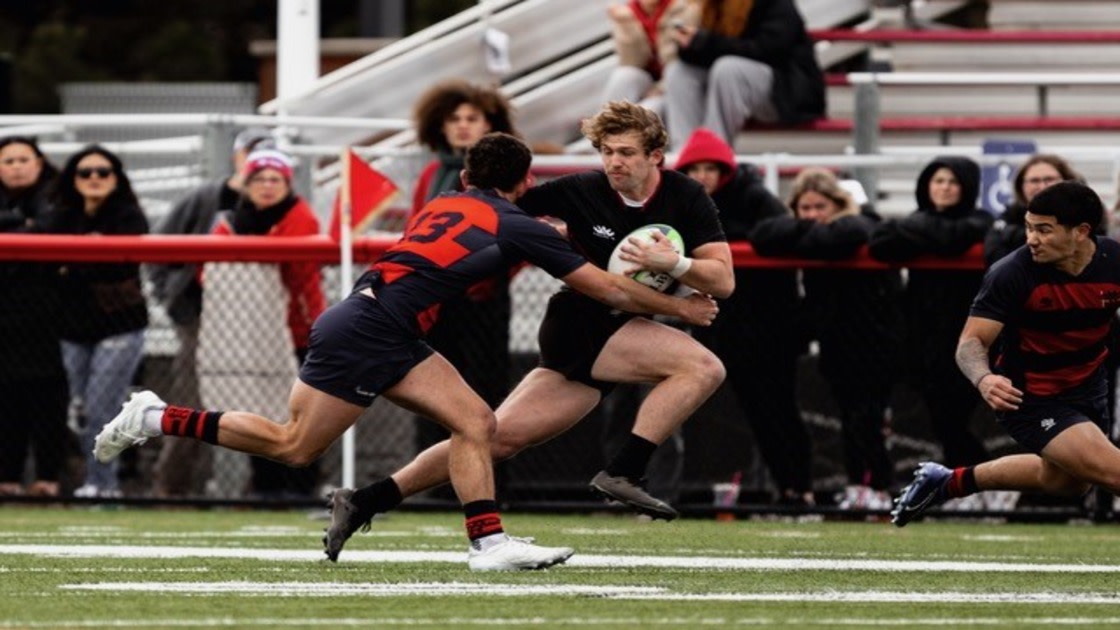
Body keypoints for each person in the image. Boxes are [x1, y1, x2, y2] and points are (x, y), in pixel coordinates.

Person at [94, 131, 720, 571]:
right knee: (295, 446)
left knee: (472, 423)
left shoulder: (444, 200)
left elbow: (480, 244)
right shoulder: (518, 222)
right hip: (374, 331)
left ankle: (486, 543)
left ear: (467, 177)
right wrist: (684, 307)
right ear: (525, 182)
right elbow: (606, 285)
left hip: (369, 321)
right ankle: (155, 416)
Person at [322, 101, 732, 562]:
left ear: (656, 155)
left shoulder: (687, 196)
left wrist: (673, 264)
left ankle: (363, 501)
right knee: (701, 367)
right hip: (580, 323)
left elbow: (723, 281)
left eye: (627, 152)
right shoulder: (580, 190)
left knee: (496, 438)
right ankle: (625, 471)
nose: (614, 162)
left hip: (623, 328)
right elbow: (495, 204)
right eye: (606, 152)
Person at [892, 182, 1120, 526]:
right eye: (1029, 227)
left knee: (1066, 483)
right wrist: (984, 379)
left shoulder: (1114, 262)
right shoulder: (1012, 273)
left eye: (1044, 230)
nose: (1031, 239)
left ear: (1081, 232)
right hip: (1030, 397)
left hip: (1088, 387)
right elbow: (970, 344)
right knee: (1115, 473)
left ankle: (948, 482)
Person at [673, 127, 812, 505]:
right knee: (751, 412)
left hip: (770, 327)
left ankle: (800, 487)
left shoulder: (752, 196)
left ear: (724, 171)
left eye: (709, 168)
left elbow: (778, 231)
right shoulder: (685, 204)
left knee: (779, 408)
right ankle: (782, 489)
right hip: (725, 328)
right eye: (695, 169)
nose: (702, 176)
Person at [751, 168, 904, 510]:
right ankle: (861, 487)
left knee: (868, 420)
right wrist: (806, 230)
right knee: (851, 419)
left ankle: (883, 487)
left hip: (876, 342)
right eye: (804, 209)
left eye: (820, 206)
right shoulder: (813, 229)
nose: (812, 215)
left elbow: (844, 236)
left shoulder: (862, 223)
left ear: (839, 203)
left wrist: (801, 233)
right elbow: (764, 235)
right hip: (837, 345)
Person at [147, 126, 274, 497]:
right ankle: (172, 489)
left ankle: (260, 491)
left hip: (258, 320)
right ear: (237, 157)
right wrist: (173, 301)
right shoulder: (207, 197)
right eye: (252, 153)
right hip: (201, 317)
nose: (260, 167)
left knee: (263, 404)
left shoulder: (278, 202)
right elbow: (161, 247)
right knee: (192, 403)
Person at [207, 148, 327, 499]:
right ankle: (266, 485)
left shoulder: (299, 216)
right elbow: (208, 271)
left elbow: (297, 272)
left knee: (299, 414)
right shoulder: (231, 220)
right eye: (259, 178)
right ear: (246, 183)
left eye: (276, 179)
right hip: (250, 332)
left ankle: (302, 488)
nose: (268, 186)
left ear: (288, 184)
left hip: (297, 331)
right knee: (257, 406)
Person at [410, 79, 516, 472]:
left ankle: (491, 482)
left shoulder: (508, 173)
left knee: (487, 394)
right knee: (428, 392)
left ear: (491, 123)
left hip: (482, 299)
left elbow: (522, 232)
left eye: (472, 118)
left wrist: (484, 273)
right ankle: (430, 482)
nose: (463, 126)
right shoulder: (432, 173)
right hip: (435, 301)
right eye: (455, 118)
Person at [869, 156, 994, 469]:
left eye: (953, 182)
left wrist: (915, 231)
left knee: (958, 415)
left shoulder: (980, 220)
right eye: (938, 181)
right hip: (922, 337)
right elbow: (882, 244)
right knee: (940, 416)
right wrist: (923, 230)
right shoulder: (916, 220)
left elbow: (952, 239)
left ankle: (982, 480)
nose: (945, 188)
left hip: (968, 332)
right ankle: (970, 483)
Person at [50, 145, 149, 498]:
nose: (94, 178)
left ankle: (104, 485)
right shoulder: (61, 215)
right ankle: (96, 479)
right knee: (77, 408)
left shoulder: (128, 215)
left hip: (120, 325)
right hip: (72, 328)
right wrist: (87, 255)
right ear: (72, 178)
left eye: (103, 172)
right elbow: (49, 267)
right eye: (85, 172)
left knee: (101, 405)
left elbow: (119, 265)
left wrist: (73, 263)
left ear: (116, 178)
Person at [0, 136, 69, 497]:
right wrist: (23, 222)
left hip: (50, 320)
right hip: (5, 320)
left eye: (23, 159)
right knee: (6, 401)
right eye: (8, 161)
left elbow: (50, 226)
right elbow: (35, 227)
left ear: (39, 163)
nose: (15, 167)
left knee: (48, 403)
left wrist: (23, 226)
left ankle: (48, 479)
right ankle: (7, 479)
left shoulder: (58, 195)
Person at [663, 0, 825, 150]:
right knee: (679, 72)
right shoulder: (711, 5)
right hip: (735, 87)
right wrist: (690, 45)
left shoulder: (775, 3)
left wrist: (708, 42)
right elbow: (710, 51)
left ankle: (714, 156)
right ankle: (686, 155)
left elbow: (770, 50)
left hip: (786, 91)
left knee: (728, 69)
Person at [985, 154, 1081, 267]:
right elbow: (995, 259)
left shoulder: (1084, 215)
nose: (1042, 186)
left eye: (1049, 179)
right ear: (1021, 186)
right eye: (1034, 181)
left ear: (1066, 181)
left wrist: (1015, 236)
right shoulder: (1009, 217)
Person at [601, 0, 698, 111]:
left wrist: (660, 88)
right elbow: (632, 63)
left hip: (676, 82)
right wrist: (627, 23)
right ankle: (603, 124)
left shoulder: (682, 8)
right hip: (649, 82)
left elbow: (679, 62)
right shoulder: (627, 13)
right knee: (624, 75)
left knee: (649, 108)